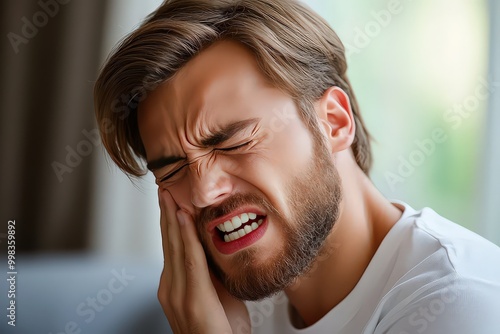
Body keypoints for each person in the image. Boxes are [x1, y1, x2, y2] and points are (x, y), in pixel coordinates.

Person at [94, 0, 500, 333]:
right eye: (171, 170)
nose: (203, 191)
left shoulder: (457, 303)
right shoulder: (225, 310)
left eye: (234, 141)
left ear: (335, 123)